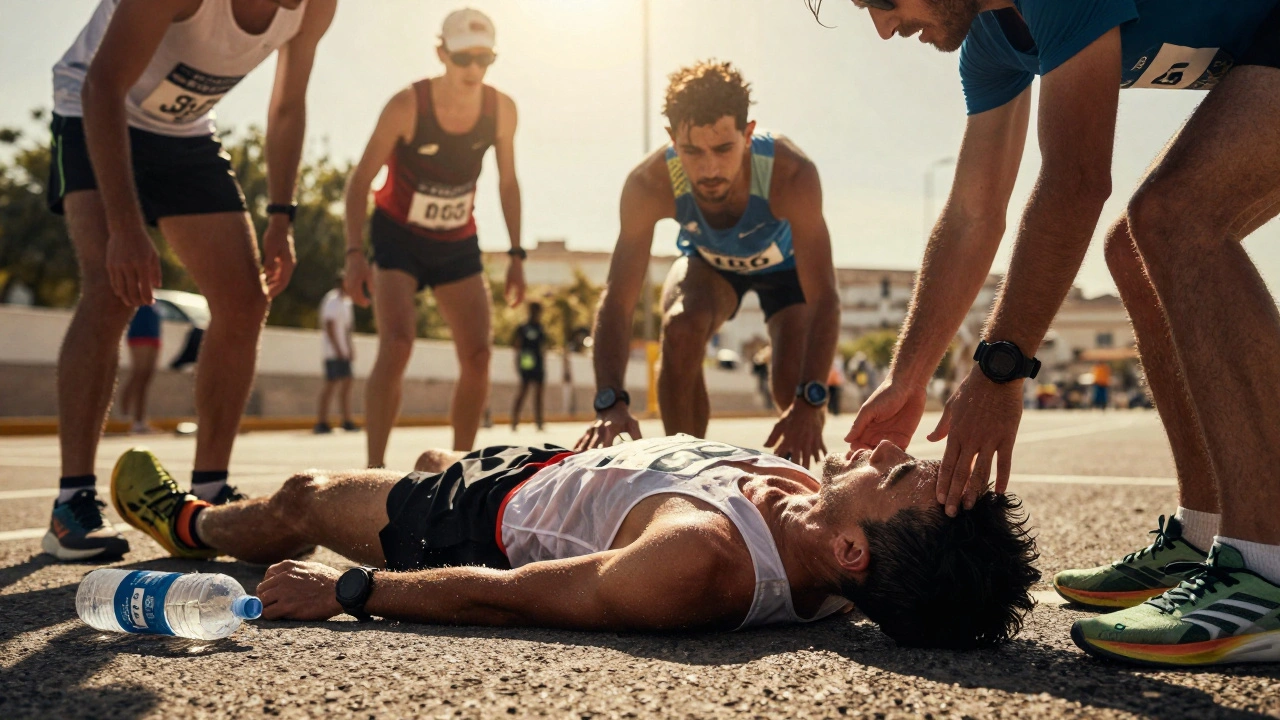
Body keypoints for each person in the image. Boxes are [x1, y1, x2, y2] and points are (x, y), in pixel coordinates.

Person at [833, 0, 1280, 665]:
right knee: (1136, 246)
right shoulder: (991, 42)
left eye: (885, 0)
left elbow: (1076, 177)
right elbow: (971, 215)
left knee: (1175, 217)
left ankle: (1265, 571)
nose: (883, 26)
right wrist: (909, 375)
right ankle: (1203, 532)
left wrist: (999, 368)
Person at [110, 436, 1039, 648]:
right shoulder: (825, 526)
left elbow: (510, 597)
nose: (883, 452)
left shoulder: (700, 562)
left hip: (485, 513)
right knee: (434, 449)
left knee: (312, 498)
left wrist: (347, 593)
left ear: (853, 555)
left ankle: (193, 523)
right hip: (563, 458)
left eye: (899, 475)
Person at [42, 0, 337, 562]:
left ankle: (209, 492)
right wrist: (126, 228)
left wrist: (282, 217)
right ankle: (70, 503)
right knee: (110, 289)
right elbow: (103, 85)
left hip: (182, 131)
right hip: (94, 110)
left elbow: (287, 106)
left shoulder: (316, 7)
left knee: (246, 301)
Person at [575, 61, 841, 468]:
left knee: (791, 386)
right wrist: (609, 400)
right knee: (680, 327)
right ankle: (687, 472)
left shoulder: (790, 173)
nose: (709, 169)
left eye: (723, 149)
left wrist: (811, 399)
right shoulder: (650, 183)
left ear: (748, 134)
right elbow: (619, 297)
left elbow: (825, 297)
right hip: (711, 265)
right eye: (692, 151)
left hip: (785, 273)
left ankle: (794, 480)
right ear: (671, 140)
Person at [343, 8, 524, 467]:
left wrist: (518, 254)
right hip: (398, 234)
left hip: (456, 238)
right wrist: (353, 253)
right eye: (464, 59)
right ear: (442, 53)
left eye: (485, 59)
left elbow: (507, 183)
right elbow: (361, 178)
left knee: (480, 354)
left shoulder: (501, 109)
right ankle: (374, 471)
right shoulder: (407, 105)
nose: (474, 70)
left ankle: (458, 470)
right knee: (398, 343)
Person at [316, 273, 356, 434]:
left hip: (343, 352)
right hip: (332, 352)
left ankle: (346, 420)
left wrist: (350, 348)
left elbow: (347, 329)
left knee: (347, 383)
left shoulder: (347, 303)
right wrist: (338, 349)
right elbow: (329, 325)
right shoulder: (332, 300)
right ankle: (322, 421)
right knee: (331, 385)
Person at [120, 303, 162, 434]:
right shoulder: (136, 290)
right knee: (138, 375)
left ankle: (140, 420)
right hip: (139, 336)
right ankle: (124, 414)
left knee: (146, 378)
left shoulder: (155, 299)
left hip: (153, 336)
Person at [510, 301, 546, 431]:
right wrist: (518, 364)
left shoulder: (540, 328)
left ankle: (539, 421)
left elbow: (543, 347)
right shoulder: (523, 328)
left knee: (539, 393)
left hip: (538, 361)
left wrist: (543, 364)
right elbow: (517, 346)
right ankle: (514, 420)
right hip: (527, 360)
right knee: (523, 390)